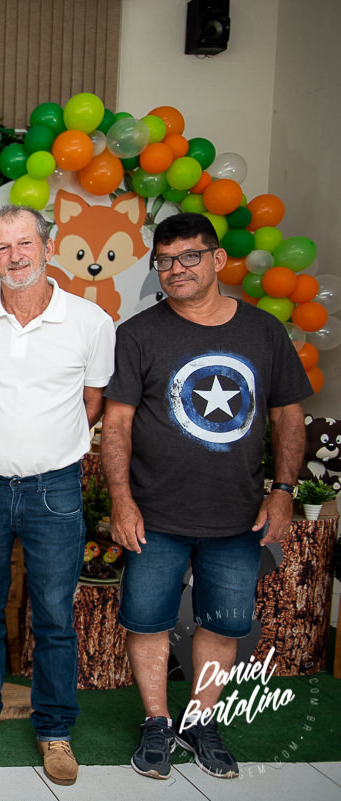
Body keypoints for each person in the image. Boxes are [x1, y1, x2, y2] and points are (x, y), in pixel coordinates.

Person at [101, 212, 311, 781]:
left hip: (238, 516)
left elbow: (289, 416)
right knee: (146, 622)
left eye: (189, 257)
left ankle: (200, 719)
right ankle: (156, 723)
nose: (176, 270)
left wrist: (284, 492)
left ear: (218, 260)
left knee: (221, 624)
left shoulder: (264, 332)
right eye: (165, 261)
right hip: (155, 514)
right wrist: (121, 501)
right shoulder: (138, 335)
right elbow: (115, 426)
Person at [0, 205, 115, 786]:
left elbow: (92, 403)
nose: (14, 257)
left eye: (24, 244)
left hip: (55, 489)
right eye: (2, 249)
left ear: (47, 246)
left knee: (53, 616)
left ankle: (56, 731)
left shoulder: (91, 322)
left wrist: (45, 443)